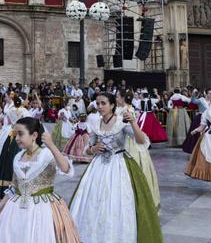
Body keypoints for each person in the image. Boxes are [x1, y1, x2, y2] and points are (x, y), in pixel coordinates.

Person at [69, 93, 163, 243]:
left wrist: (133, 122)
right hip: (98, 167)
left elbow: (142, 140)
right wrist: (92, 149)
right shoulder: (95, 123)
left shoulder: (121, 123)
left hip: (119, 165)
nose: (100, 107)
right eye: (98, 103)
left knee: (117, 202)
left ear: (112, 105)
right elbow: (87, 149)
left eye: (103, 103)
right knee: (94, 201)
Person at [0, 118, 80, 243]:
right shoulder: (18, 157)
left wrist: (52, 145)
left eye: (20, 134)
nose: (16, 138)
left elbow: (66, 169)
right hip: (15, 209)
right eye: (16, 134)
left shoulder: (46, 154)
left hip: (42, 209)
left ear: (34, 135)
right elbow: (14, 186)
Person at [0, 96, 28, 199]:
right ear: (20, 103)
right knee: (18, 158)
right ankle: (16, 187)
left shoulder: (10, 110)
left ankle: (5, 187)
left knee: (7, 158)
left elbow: (5, 119)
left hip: (11, 135)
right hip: (20, 135)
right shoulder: (24, 111)